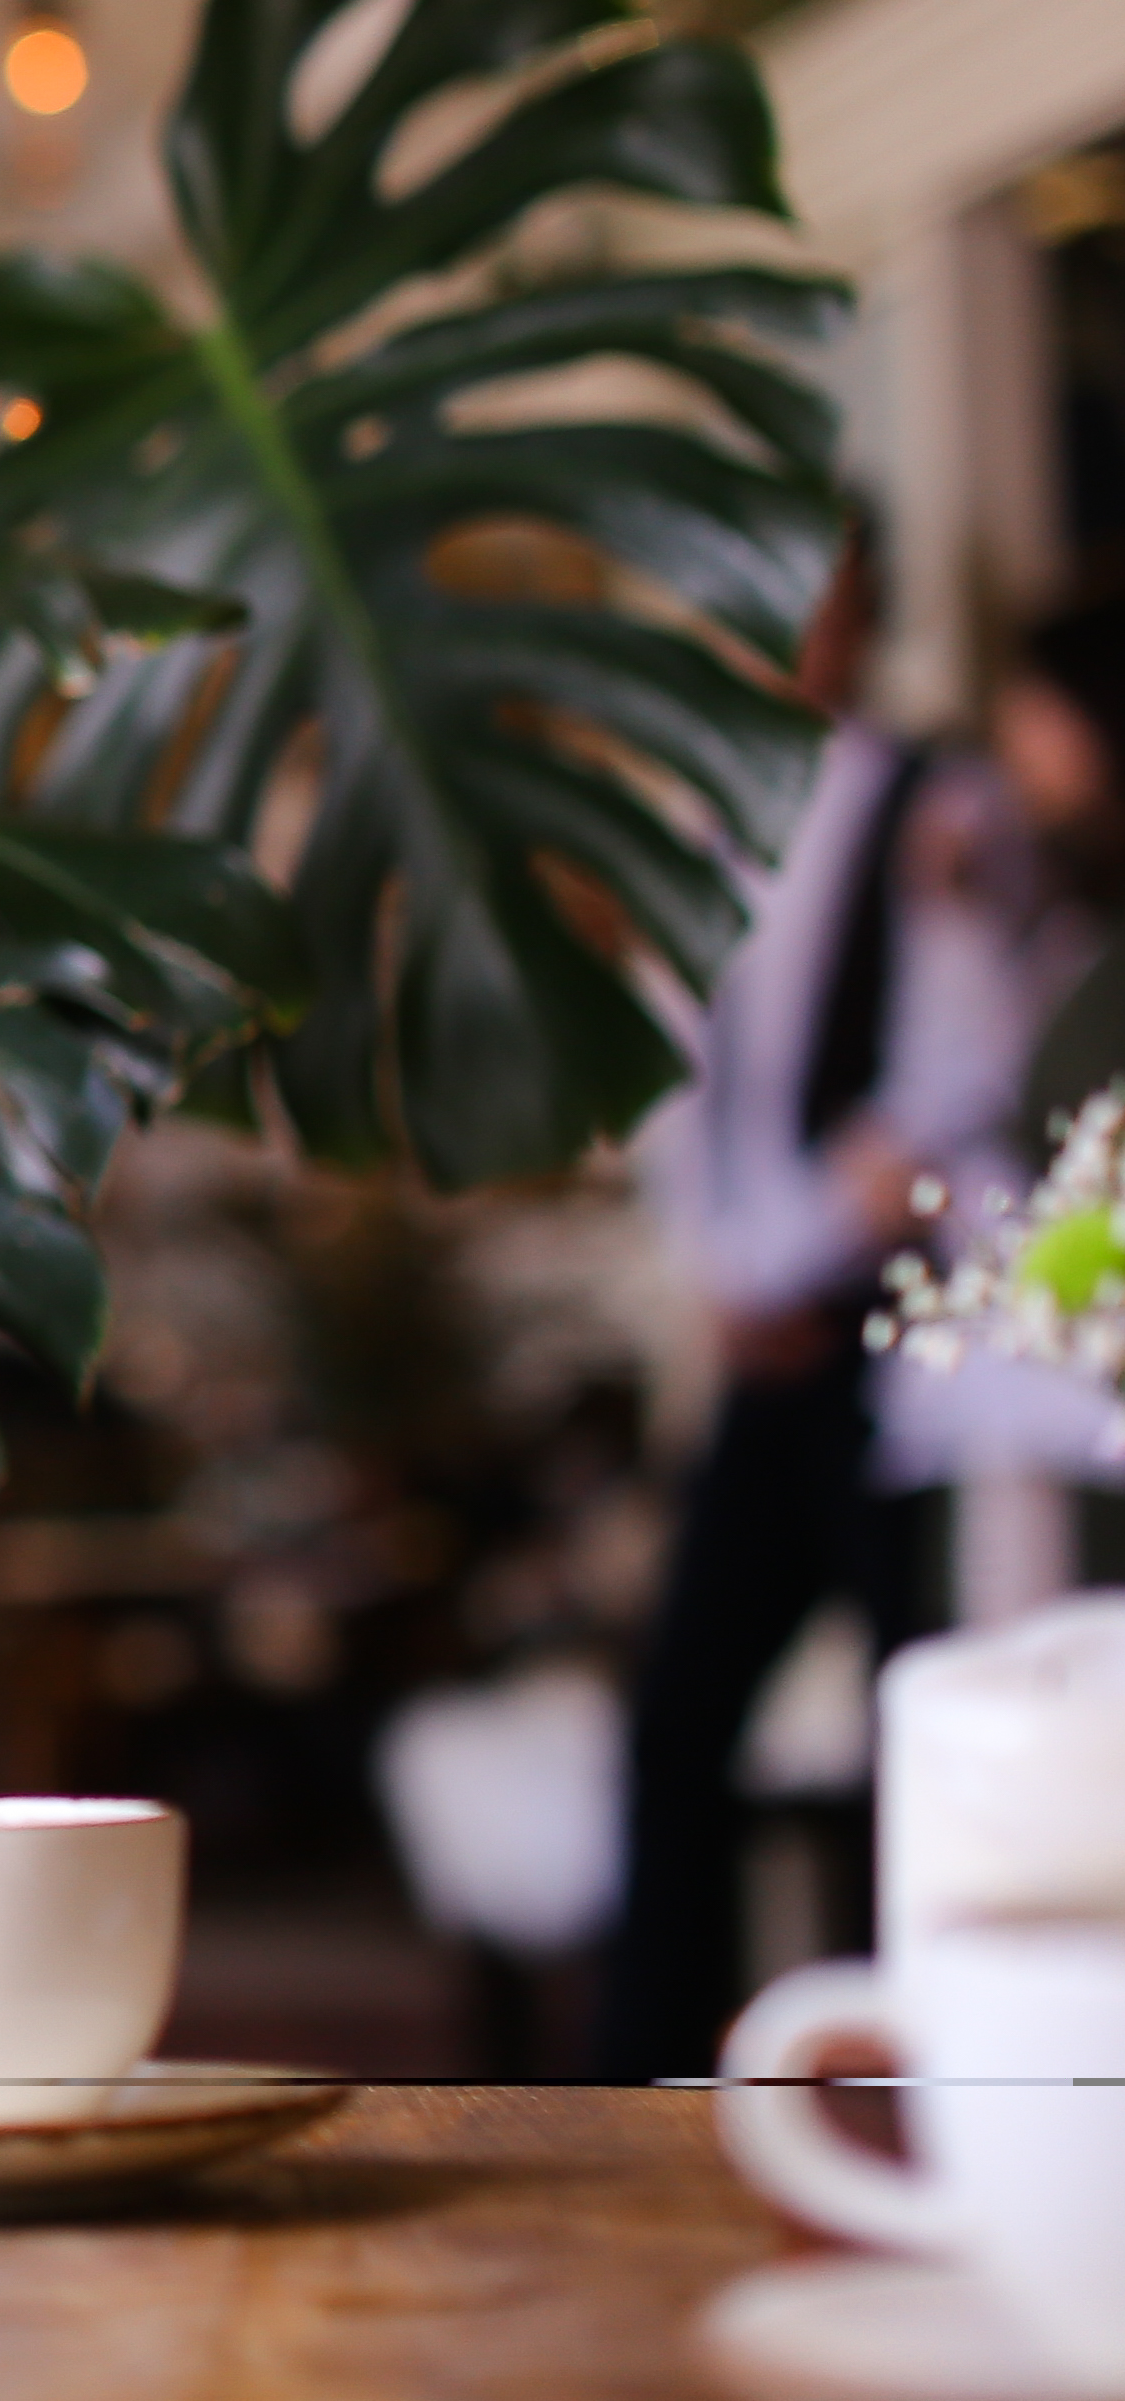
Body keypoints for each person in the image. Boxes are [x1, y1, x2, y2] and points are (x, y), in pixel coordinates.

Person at [593, 530, 1056, 2078]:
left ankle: (923, 2062)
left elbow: (955, 1074)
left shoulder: (943, 803)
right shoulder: (691, 823)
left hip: (896, 1340)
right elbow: (667, 1078)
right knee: (679, 1717)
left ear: (862, 605)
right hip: (761, 1341)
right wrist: (718, 1277)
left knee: (916, 1717)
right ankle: (654, 2070)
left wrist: (775, 1260)